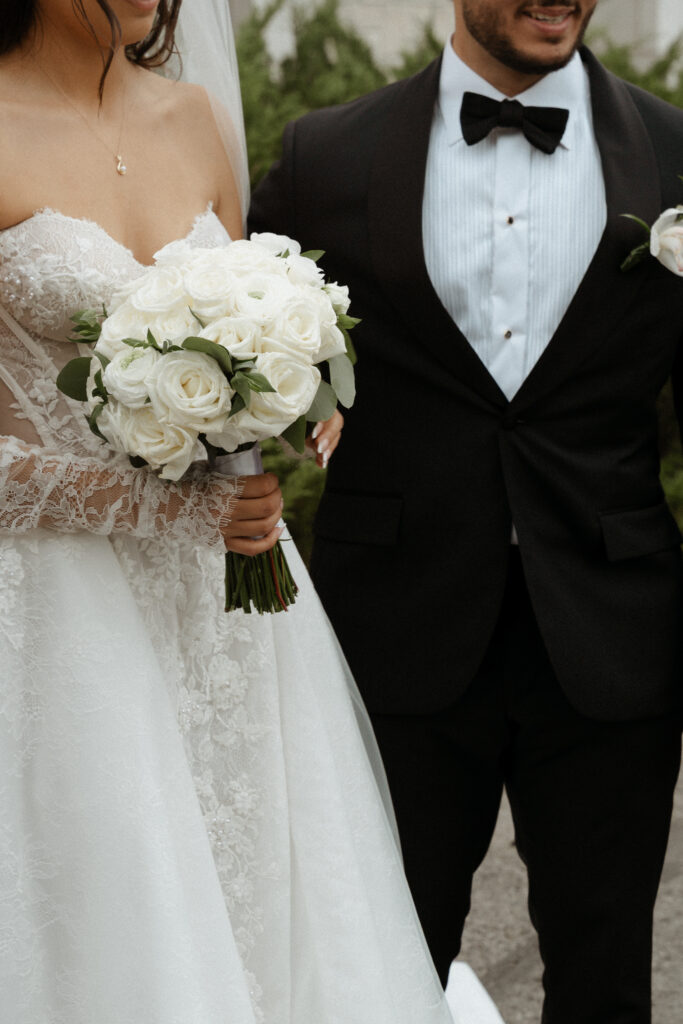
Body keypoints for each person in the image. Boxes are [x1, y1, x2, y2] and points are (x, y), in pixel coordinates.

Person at [0, 1, 478, 1021]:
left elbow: (251, 323)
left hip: (235, 604)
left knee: (271, 890)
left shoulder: (194, 117)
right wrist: (146, 504)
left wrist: (306, 392)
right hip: (62, 613)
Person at [250, 1, 683, 1021]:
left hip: (609, 628)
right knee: (380, 969)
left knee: (604, 970)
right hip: (392, 627)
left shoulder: (671, 152)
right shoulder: (326, 155)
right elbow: (235, 343)